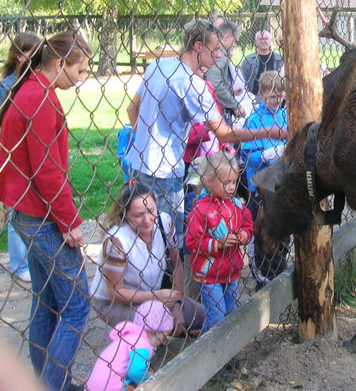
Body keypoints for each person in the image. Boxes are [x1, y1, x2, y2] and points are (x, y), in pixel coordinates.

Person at [0, 31, 93, 391]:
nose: (82, 77)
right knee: (77, 305)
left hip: (27, 215)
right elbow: (47, 172)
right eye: (80, 69)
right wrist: (70, 222)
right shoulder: (41, 100)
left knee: (45, 304)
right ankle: (54, 384)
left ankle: (47, 382)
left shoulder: (29, 90)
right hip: (44, 218)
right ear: (60, 63)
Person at [124, 19, 286, 248]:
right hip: (164, 171)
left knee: (141, 235)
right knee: (170, 242)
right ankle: (171, 282)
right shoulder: (192, 84)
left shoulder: (158, 66)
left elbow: (132, 109)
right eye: (216, 49)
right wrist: (273, 131)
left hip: (138, 164)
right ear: (199, 47)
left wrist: (144, 142)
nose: (219, 56)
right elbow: (225, 135)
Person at [90, 181, 205, 335]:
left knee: (206, 315)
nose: (147, 219)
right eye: (138, 215)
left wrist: (177, 304)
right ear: (125, 213)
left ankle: (170, 330)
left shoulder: (164, 222)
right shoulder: (117, 241)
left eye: (151, 211)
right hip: (115, 303)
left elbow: (176, 265)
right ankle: (144, 347)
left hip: (155, 295)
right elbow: (115, 293)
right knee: (159, 320)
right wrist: (157, 297)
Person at [185, 152, 253, 332]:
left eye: (233, 182)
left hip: (231, 269)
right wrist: (217, 244)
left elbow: (248, 223)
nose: (231, 187)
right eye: (226, 183)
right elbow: (191, 242)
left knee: (230, 311)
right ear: (209, 181)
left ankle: (227, 352)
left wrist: (244, 235)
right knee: (217, 314)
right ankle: (212, 353)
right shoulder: (201, 209)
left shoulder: (236, 205)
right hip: (209, 272)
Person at [0, 32, 41, 284]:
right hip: (16, 155)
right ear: (18, 55)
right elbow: (6, 124)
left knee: (34, 209)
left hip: (35, 154)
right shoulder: (8, 84)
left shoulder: (35, 80)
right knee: (16, 209)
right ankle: (18, 263)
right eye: (31, 53)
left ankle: (33, 260)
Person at [239, 71, 290, 289]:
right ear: (261, 95)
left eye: (279, 96)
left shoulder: (286, 116)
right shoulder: (254, 120)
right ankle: (262, 274)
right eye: (271, 97)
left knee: (283, 229)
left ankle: (280, 267)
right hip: (260, 186)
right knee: (262, 228)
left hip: (281, 184)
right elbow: (247, 155)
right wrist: (267, 155)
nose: (276, 100)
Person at [85, 299, 173, 391]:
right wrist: (149, 381)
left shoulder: (130, 337)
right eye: (163, 337)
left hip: (92, 386)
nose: (163, 341)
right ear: (154, 332)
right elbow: (135, 371)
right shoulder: (143, 343)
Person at [204, 19, 245, 122]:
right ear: (226, 37)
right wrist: (235, 106)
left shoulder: (221, 54)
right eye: (234, 40)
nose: (234, 45)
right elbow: (215, 83)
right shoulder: (220, 56)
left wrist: (231, 91)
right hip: (219, 113)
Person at [240, 29, 284, 97]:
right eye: (260, 39)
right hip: (254, 96)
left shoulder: (279, 59)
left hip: (275, 96)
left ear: (270, 41)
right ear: (256, 42)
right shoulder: (248, 60)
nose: (263, 41)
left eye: (266, 38)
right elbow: (243, 79)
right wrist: (248, 94)